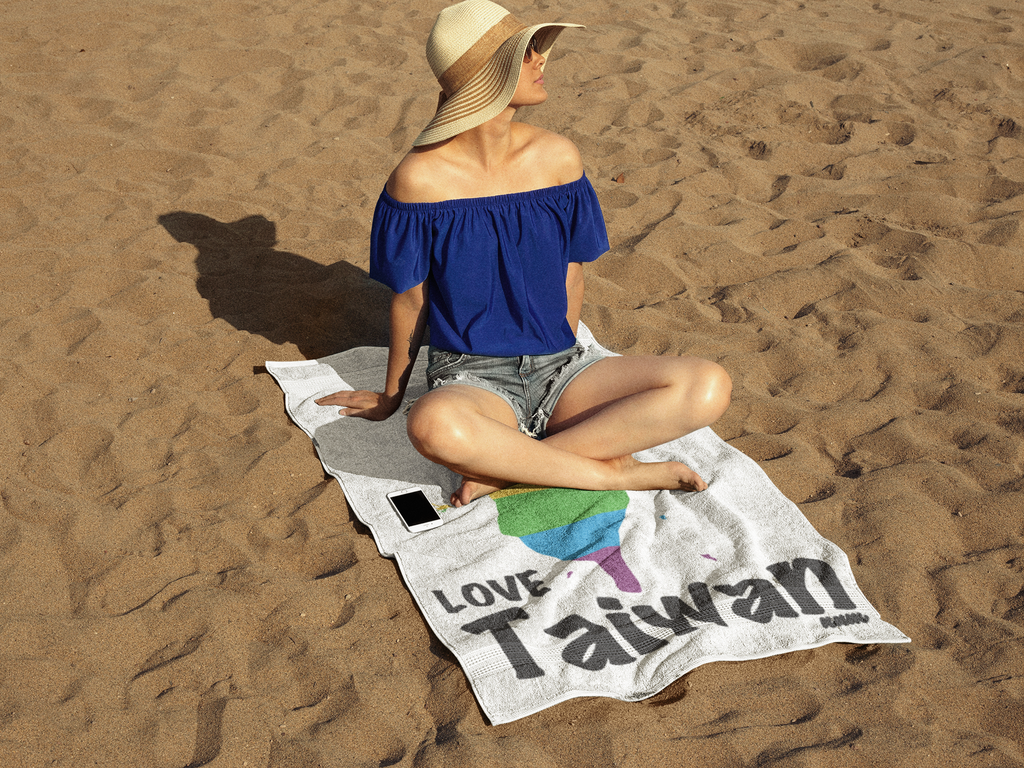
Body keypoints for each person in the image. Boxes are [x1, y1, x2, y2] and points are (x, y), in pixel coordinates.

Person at [315, 0, 732, 507]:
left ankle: (515, 468)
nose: (541, 61)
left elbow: (572, 275)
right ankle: (603, 473)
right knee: (431, 425)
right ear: (489, 79)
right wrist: (391, 397)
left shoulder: (558, 157)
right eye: (525, 54)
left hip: (562, 365)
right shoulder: (418, 180)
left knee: (708, 384)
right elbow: (411, 299)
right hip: (473, 377)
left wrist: (565, 353)